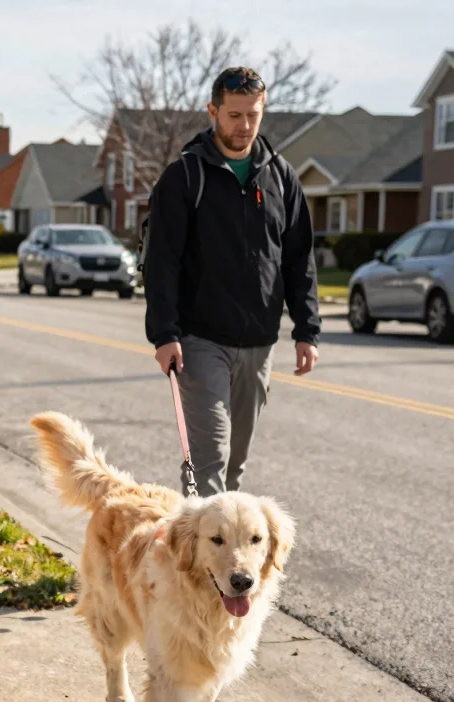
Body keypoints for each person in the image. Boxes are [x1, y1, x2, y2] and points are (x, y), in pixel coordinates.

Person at [143, 66, 320, 497]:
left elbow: (299, 259)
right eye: (234, 115)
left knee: (235, 465)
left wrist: (306, 329)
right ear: (213, 111)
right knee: (210, 459)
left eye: (253, 116)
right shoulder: (185, 177)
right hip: (200, 339)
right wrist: (165, 333)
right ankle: (200, 565)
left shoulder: (280, 177)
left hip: (259, 342)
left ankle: (220, 556)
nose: (244, 126)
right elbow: (160, 260)